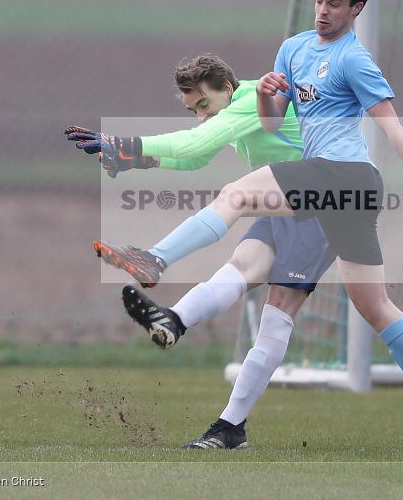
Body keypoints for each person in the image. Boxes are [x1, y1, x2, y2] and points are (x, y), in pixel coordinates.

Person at [93, 0, 403, 447]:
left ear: (357, 9)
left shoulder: (354, 59)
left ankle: (154, 258)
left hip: (345, 176)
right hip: (339, 191)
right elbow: (271, 124)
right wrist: (268, 94)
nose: (324, 12)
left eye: (335, 5)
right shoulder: (294, 49)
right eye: (320, 1)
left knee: (237, 195)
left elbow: (391, 126)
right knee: (372, 303)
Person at [64, 54, 336, 449]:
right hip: (285, 206)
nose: (201, 116)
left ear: (226, 88)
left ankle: (231, 423)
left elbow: (197, 142)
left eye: (203, 105)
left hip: (319, 208)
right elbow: (196, 157)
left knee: (277, 314)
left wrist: (124, 144)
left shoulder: (248, 101)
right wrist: (133, 158)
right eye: (193, 110)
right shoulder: (235, 109)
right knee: (239, 268)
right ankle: (175, 323)